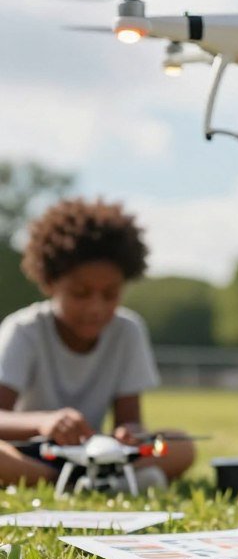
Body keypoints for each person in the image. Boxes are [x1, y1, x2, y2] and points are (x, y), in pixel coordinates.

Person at [0, 198, 195, 487]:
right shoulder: (24, 330)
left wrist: (130, 434)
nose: (95, 308)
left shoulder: (128, 330)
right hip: (36, 455)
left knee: (180, 444)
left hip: (99, 456)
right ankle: (70, 482)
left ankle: (96, 479)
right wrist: (44, 422)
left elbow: (129, 420)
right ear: (51, 282)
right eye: (80, 293)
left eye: (110, 294)